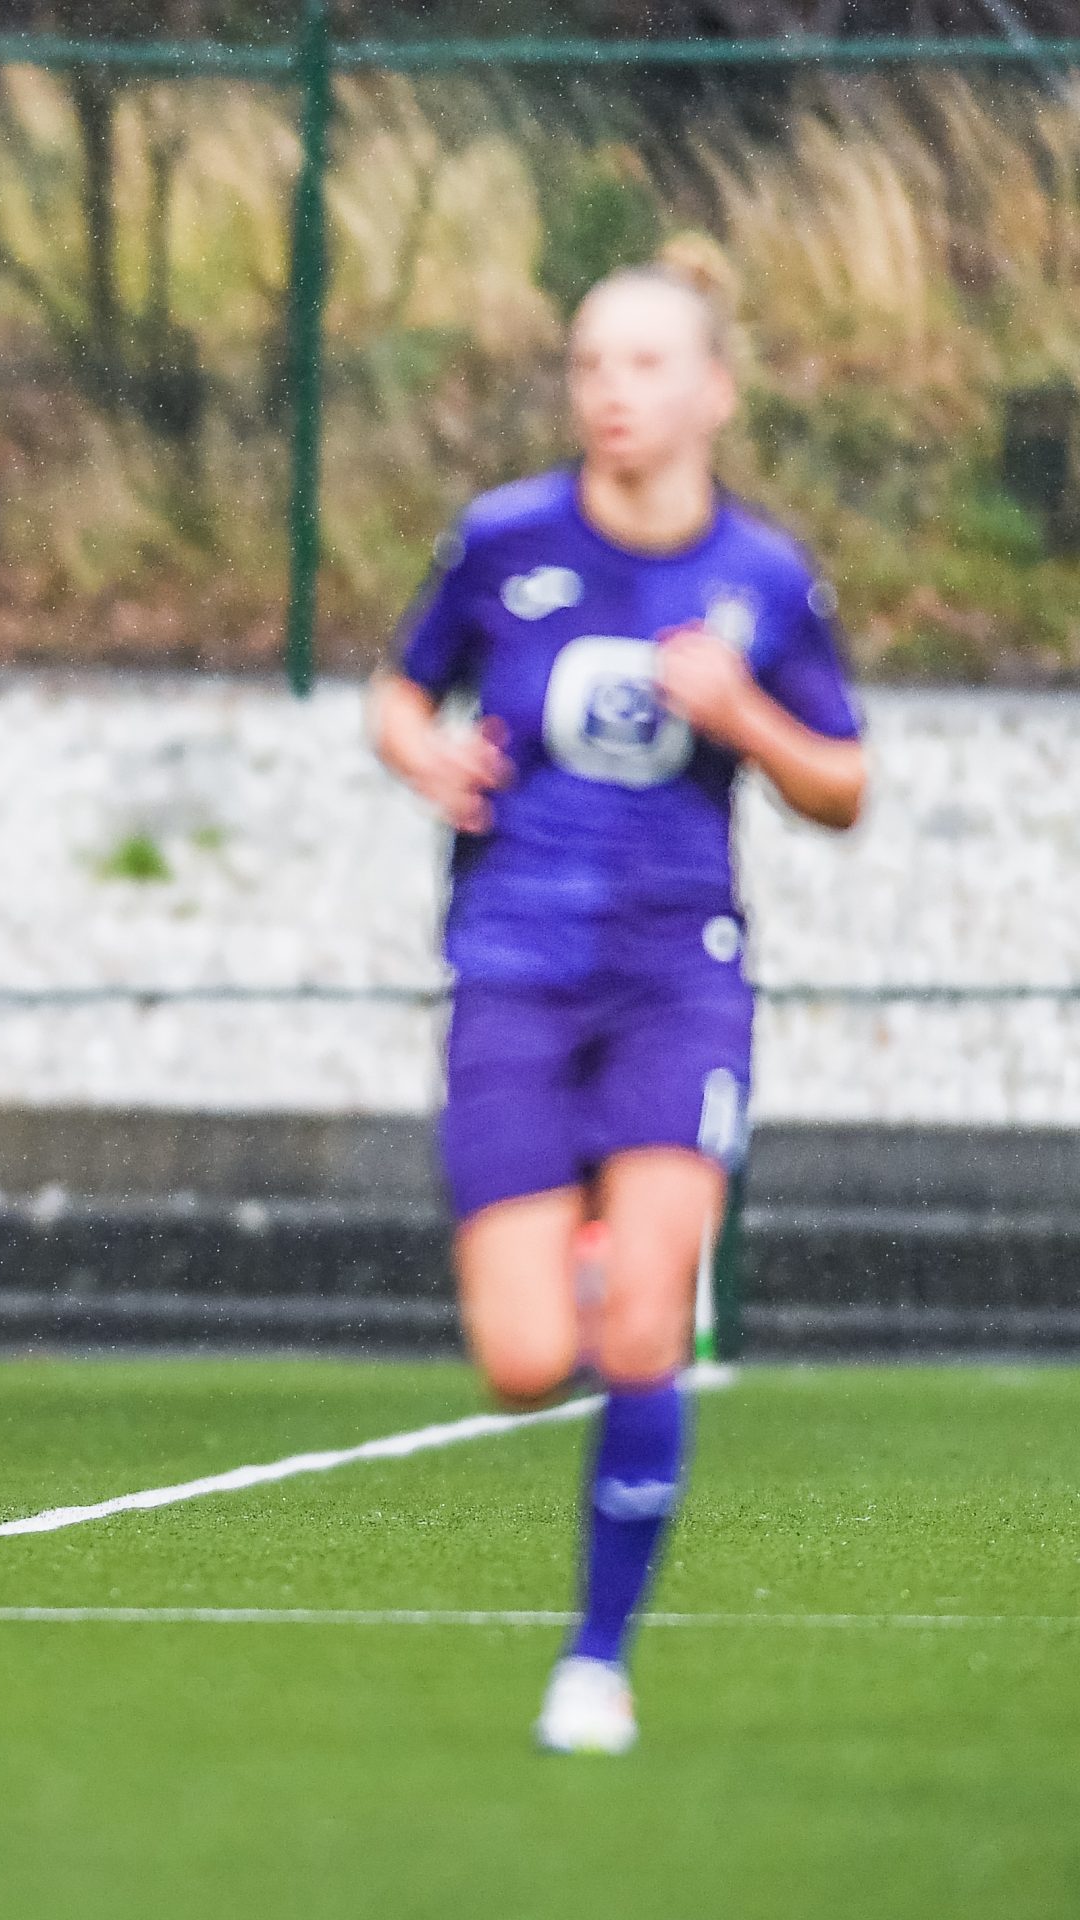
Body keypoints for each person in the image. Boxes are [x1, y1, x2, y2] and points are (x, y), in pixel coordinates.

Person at [368, 238, 866, 1757]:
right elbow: (401, 692)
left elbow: (843, 785)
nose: (612, 392)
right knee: (526, 1363)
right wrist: (423, 754)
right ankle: (590, 1256)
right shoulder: (501, 540)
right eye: (590, 364)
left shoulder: (764, 578)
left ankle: (595, 1665)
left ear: (715, 392)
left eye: (646, 364)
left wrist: (746, 715)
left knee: (648, 1328)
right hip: (513, 973)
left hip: (675, 980)